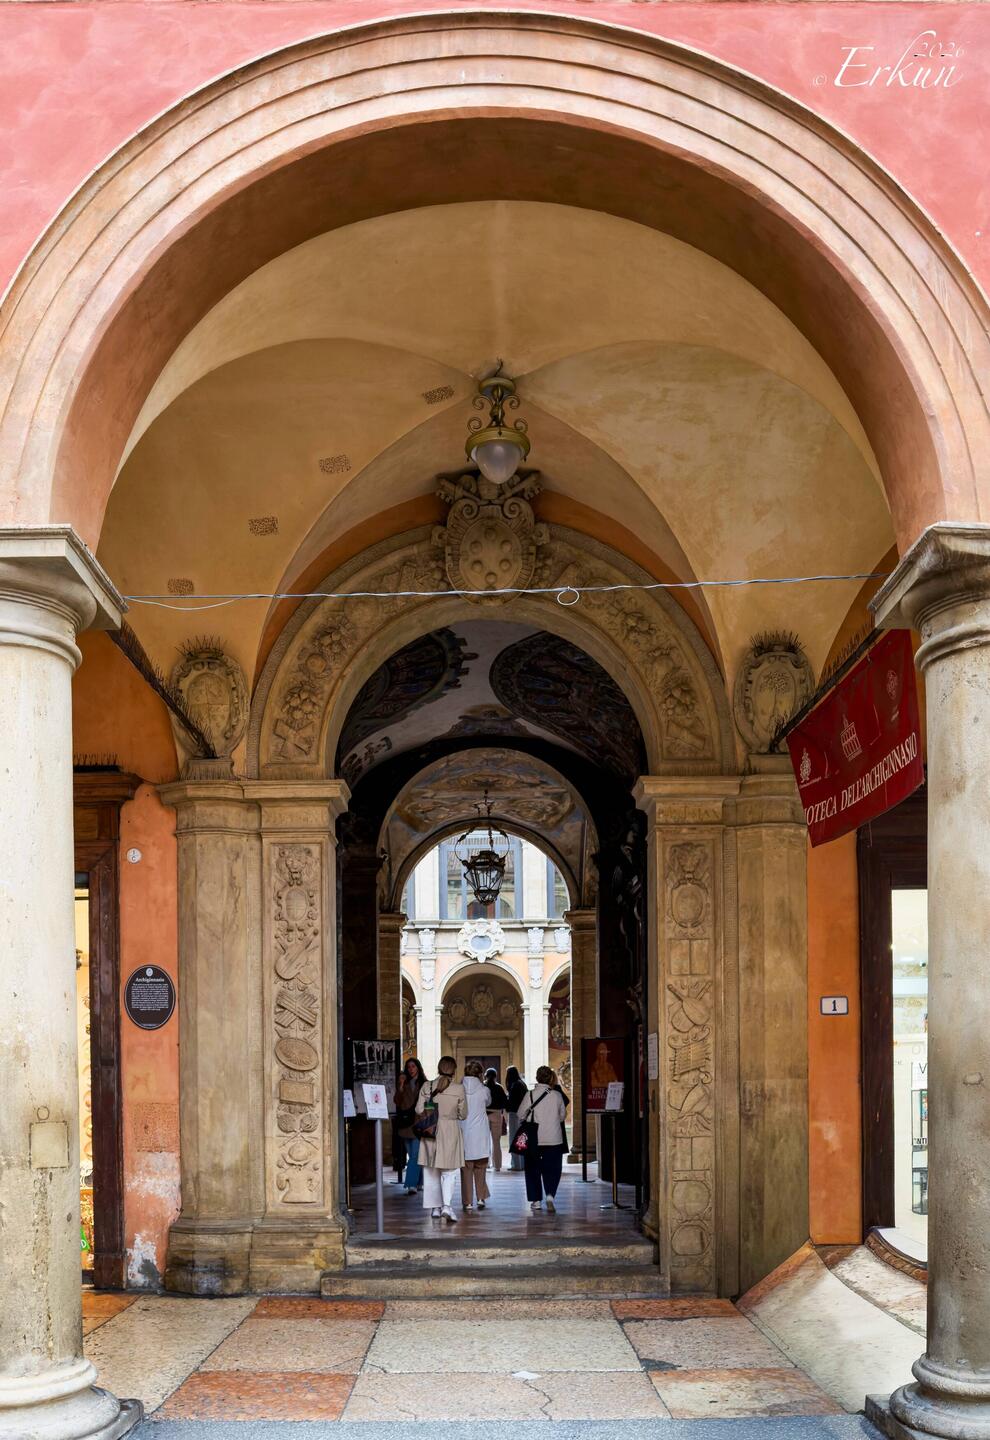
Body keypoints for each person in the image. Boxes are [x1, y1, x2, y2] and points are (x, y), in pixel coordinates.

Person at [416, 1055, 467, 1223]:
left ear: (438, 1068)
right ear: (453, 1070)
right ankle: (446, 1206)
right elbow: (463, 1114)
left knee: (431, 1170)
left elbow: (418, 1109)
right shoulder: (458, 1089)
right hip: (450, 1129)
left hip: (430, 1130)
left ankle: (435, 1208)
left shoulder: (427, 1086)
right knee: (449, 1171)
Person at [517, 1065, 567, 1212]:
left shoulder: (530, 1095)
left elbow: (520, 1114)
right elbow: (563, 1116)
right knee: (553, 1168)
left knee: (532, 1169)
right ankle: (550, 1194)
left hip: (534, 1138)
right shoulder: (557, 1096)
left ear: (537, 1078)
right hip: (554, 1138)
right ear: (551, 1078)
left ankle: (536, 1200)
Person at [460, 1060, 492, 1210]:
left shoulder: (459, 1089)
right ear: (480, 1074)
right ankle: (481, 1197)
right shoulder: (484, 1090)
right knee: (480, 1167)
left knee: (466, 1169)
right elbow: (488, 1103)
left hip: (464, 1132)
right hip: (480, 1133)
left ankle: (467, 1202)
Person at [394, 1056, 426, 1195]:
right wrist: (400, 1087)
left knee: (414, 1155)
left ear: (418, 1067)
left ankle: (411, 1184)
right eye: (409, 1067)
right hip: (405, 1124)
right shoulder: (404, 1083)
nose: (411, 1069)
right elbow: (397, 1101)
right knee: (414, 1155)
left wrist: (427, 1118)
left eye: (413, 1066)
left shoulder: (425, 1083)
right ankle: (420, 1182)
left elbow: (430, 1103)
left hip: (418, 1123)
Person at [484, 1067, 508, 1172]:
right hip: (497, 1114)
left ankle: (486, 1164)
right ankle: (497, 1165)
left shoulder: (483, 1087)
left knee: (485, 1141)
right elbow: (504, 1102)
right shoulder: (499, 1087)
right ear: (495, 1076)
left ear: (486, 1075)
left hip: (484, 1114)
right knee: (496, 1141)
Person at [505, 1066, 528, 1171]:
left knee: (513, 1139)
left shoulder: (514, 1085)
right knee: (521, 1139)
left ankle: (516, 1165)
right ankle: (523, 1164)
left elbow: (511, 1103)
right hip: (523, 1115)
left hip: (515, 1114)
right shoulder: (522, 1083)